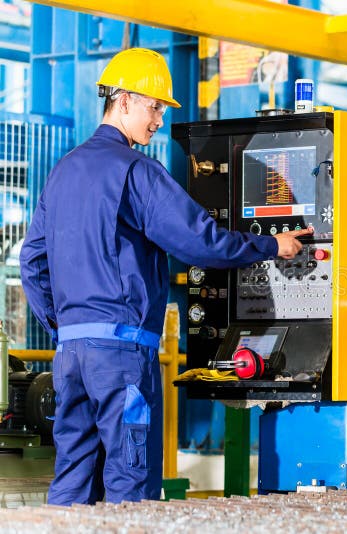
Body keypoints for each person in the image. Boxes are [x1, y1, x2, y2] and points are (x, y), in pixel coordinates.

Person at [19, 48, 311, 505]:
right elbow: (200, 241)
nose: (158, 120)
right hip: (120, 356)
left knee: (72, 479)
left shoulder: (62, 172)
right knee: (129, 484)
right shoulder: (136, 171)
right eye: (154, 106)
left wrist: (64, 324)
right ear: (123, 101)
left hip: (71, 355)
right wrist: (273, 245)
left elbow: (32, 261)